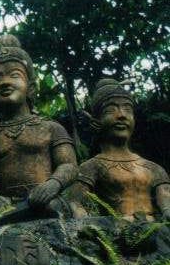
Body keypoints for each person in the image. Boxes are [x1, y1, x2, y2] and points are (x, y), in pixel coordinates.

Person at [0, 34, 78, 224]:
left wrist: (53, 184)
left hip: (45, 199)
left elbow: (69, 166)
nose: (5, 82)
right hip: (4, 203)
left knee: (55, 206)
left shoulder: (51, 128)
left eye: (14, 75)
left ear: (31, 87)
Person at [71, 78, 170, 219]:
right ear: (96, 122)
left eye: (127, 110)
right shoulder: (92, 167)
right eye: (111, 110)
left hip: (156, 231)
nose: (122, 115)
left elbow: (166, 200)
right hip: (116, 232)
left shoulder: (154, 168)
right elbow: (74, 202)